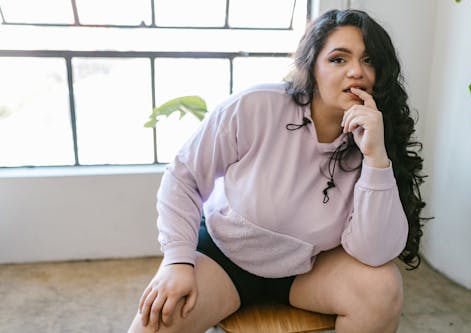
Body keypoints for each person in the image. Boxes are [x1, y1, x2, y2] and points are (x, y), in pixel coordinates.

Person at [128, 8, 426, 333]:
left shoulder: (375, 139)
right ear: (313, 67)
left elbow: (375, 252)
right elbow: (182, 177)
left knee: (383, 287)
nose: (356, 71)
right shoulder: (256, 106)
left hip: (307, 269)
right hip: (224, 258)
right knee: (153, 325)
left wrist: (375, 157)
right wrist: (177, 261)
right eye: (339, 59)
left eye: (368, 60)